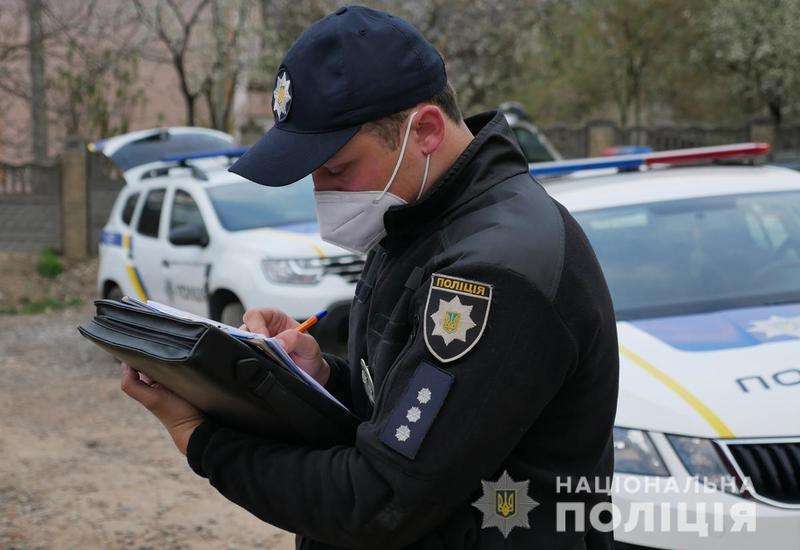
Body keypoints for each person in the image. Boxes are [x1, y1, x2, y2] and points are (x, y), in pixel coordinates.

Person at [120, 5, 619, 548]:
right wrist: (318, 376)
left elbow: (381, 500)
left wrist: (200, 439)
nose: (323, 193)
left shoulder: (493, 270)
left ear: (425, 130)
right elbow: (404, 413)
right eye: (313, 174)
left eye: (337, 168)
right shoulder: (418, 222)